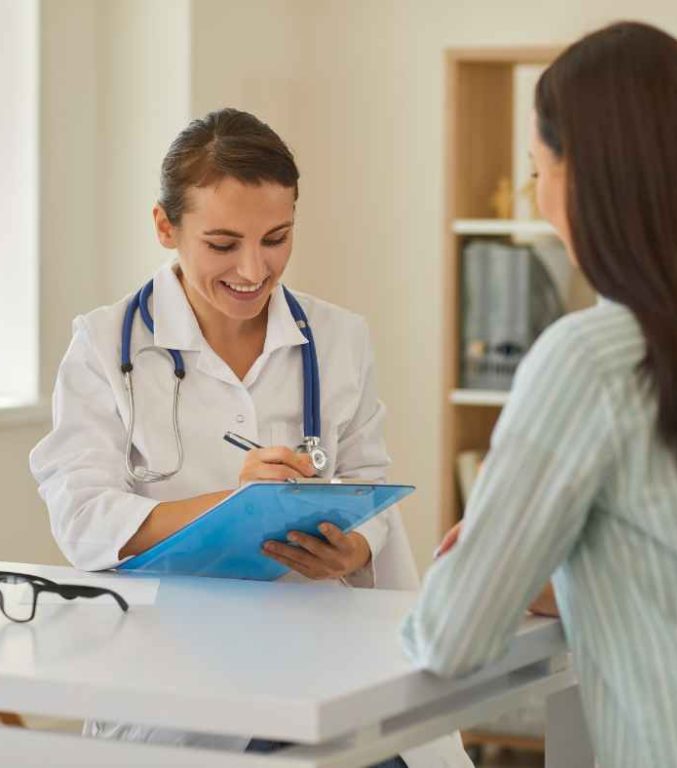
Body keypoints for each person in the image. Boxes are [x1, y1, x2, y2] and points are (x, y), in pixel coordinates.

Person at [30, 108, 470, 768]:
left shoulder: (337, 337)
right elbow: (84, 516)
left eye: (277, 238)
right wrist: (234, 507)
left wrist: (350, 549)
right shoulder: (103, 345)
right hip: (175, 677)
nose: (254, 268)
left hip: (328, 658)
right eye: (223, 243)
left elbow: (368, 481)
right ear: (164, 226)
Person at [402, 22, 677, 768]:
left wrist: (484, 566)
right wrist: (578, 575)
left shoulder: (592, 361)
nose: (538, 202)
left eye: (539, 172)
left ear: (587, 178)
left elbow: (451, 637)